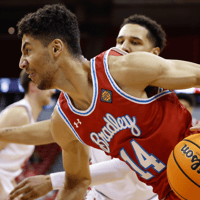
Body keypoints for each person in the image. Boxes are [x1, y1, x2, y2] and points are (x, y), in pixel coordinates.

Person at [3, 3, 200, 200]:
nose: (21, 62)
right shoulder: (64, 121)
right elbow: (76, 183)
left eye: (28, 51)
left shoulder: (121, 70)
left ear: (56, 48)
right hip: (170, 192)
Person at [0, 69, 55, 199]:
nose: (53, 91)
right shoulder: (20, 114)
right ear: (33, 86)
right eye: (48, 86)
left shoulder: (28, 116)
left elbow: (9, 167)